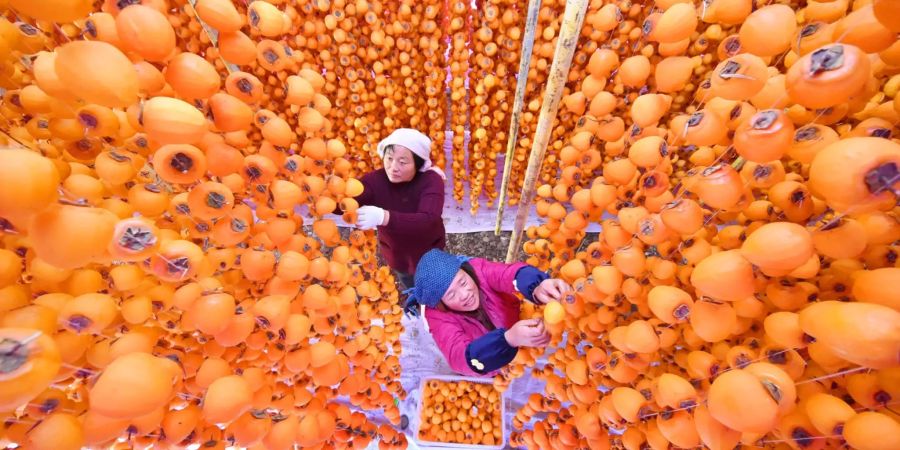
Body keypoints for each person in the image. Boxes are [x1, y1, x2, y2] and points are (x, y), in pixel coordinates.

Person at [404, 249, 572, 377]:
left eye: (462, 282)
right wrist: (507, 340)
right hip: (486, 358)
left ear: (466, 271)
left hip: (516, 329)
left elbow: (508, 274)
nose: (465, 294)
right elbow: (459, 357)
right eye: (451, 295)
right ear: (441, 303)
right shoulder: (436, 317)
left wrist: (536, 286)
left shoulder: (478, 270)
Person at [351, 128, 447, 290]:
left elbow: (428, 219)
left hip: (429, 252)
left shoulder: (431, 181)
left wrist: (384, 217)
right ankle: (415, 300)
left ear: (418, 164)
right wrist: (334, 195)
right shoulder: (376, 180)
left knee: (435, 286)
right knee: (410, 285)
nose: (393, 167)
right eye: (389, 158)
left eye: (402, 162)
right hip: (397, 255)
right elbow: (349, 200)